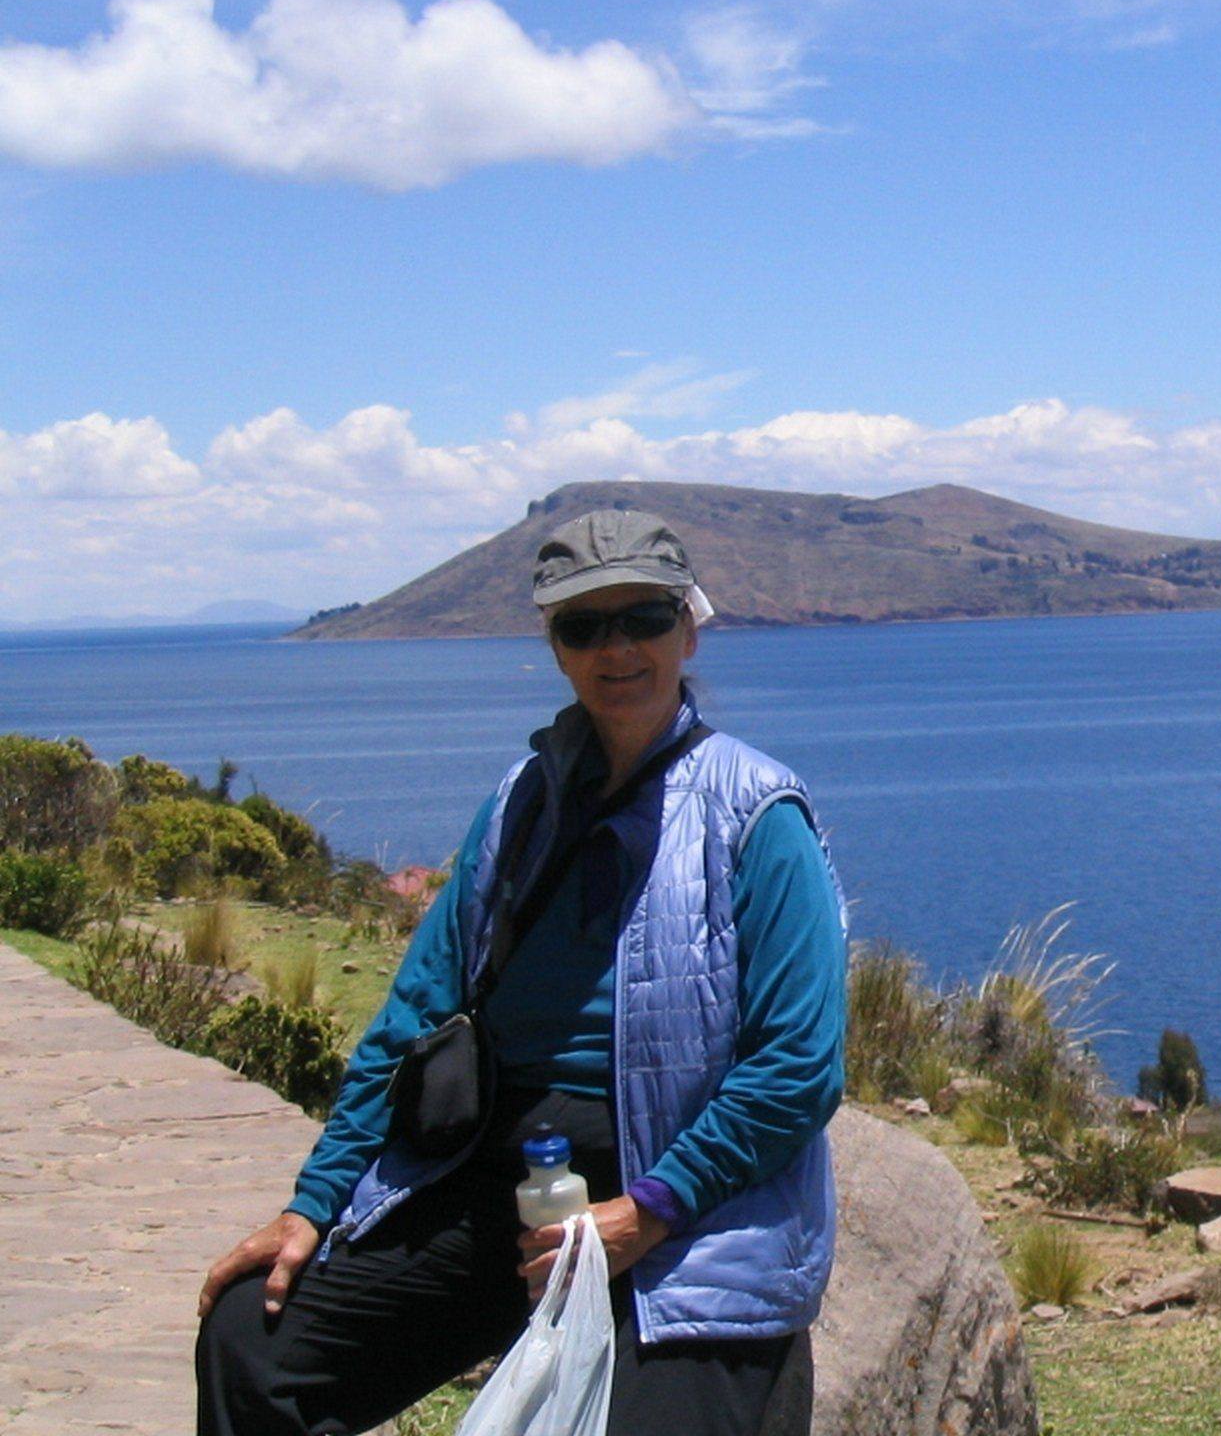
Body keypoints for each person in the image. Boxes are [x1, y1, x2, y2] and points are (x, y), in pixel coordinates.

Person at [194, 509, 849, 1436]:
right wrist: (312, 1208)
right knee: (251, 1345)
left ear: (689, 628)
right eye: (583, 626)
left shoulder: (757, 813)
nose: (616, 648)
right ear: (555, 646)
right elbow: (413, 1016)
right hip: (502, 1185)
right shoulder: (522, 802)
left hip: (683, 1212)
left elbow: (799, 1065)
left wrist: (645, 1213)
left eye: (644, 619)